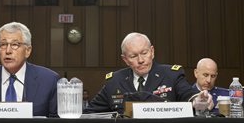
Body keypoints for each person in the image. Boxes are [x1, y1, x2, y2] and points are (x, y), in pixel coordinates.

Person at [84, 32, 212, 115]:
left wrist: (198, 100)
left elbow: (189, 96)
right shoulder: (114, 81)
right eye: (133, 56)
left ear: (152, 52)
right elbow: (89, 114)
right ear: (125, 60)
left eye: (144, 53)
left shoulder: (171, 75)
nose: (141, 60)